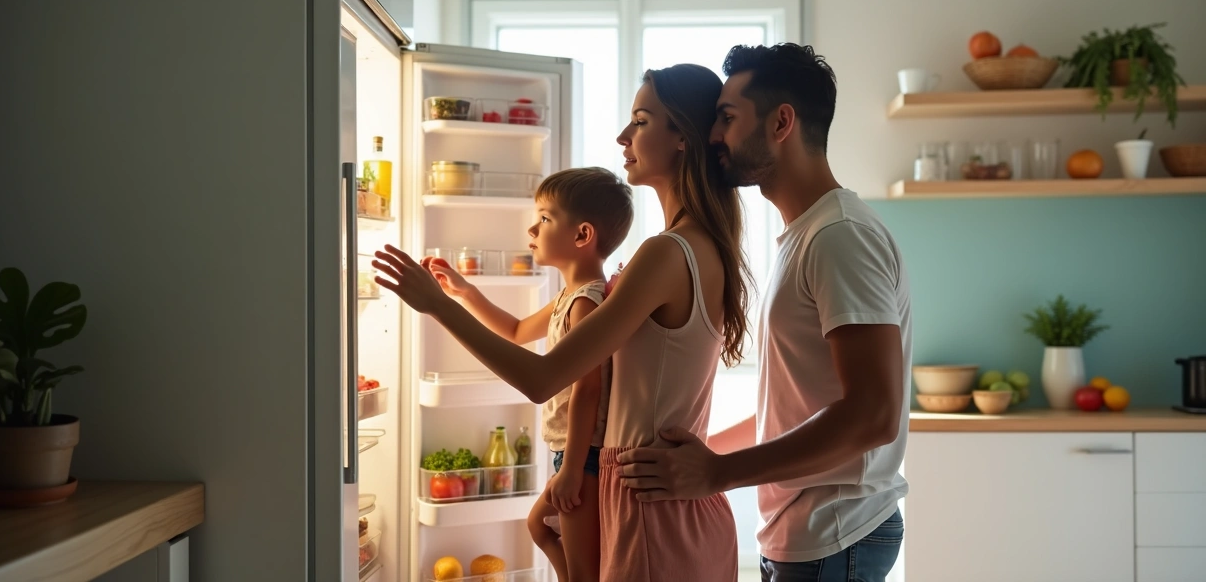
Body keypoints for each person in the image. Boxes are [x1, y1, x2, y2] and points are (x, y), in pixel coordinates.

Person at [373, 63, 749, 581]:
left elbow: (543, 379)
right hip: (668, 505)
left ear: (682, 137)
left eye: (640, 121)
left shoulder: (667, 253)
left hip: (649, 509)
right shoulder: (699, 245)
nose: (623, 136)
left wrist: (437, 306)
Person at [616, 43, 913, 582]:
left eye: (727, 119)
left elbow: (873, 413)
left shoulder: (839, 236)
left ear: (781, 123)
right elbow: (797, 409)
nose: (712, 136)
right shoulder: (806, 235)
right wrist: (700, 458)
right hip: (811, 536)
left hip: (834, 534)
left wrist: (718, 474)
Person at [420, 166, 633, 582]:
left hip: (582, 456)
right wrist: (466, 292)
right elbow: (516, 332)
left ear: (582, 235)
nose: (533, 228)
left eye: (546, 218)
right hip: (568, 455)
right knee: (539, 526)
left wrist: (571, 469)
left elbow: (588, 390)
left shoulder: (585, 304)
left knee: (583, 569)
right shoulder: (567, 298)